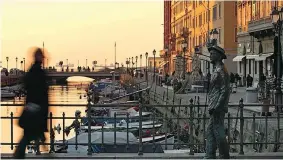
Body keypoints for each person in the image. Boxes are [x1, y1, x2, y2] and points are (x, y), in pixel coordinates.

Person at [14, 48, 49, 159]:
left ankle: (21, 154)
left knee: (28, 135)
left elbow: (27, 86)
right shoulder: (39, 73)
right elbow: (42, 92)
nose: (43, 59)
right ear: (38, 57)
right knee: (31, 134)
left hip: (30, 108)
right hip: (37, 110)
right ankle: (44, 150)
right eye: (42, 57)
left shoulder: (31, 72)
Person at [205, 45, 230, 159]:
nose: (210, 55)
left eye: (212, 54)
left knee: (218, 132)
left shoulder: (221, 71)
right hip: (214, 105)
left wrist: (217, 107)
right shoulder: (216, 70)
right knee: (210, 130)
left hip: (217, 107)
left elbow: (224, 91)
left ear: (219, 57)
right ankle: (210, 155)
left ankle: (224, 155)